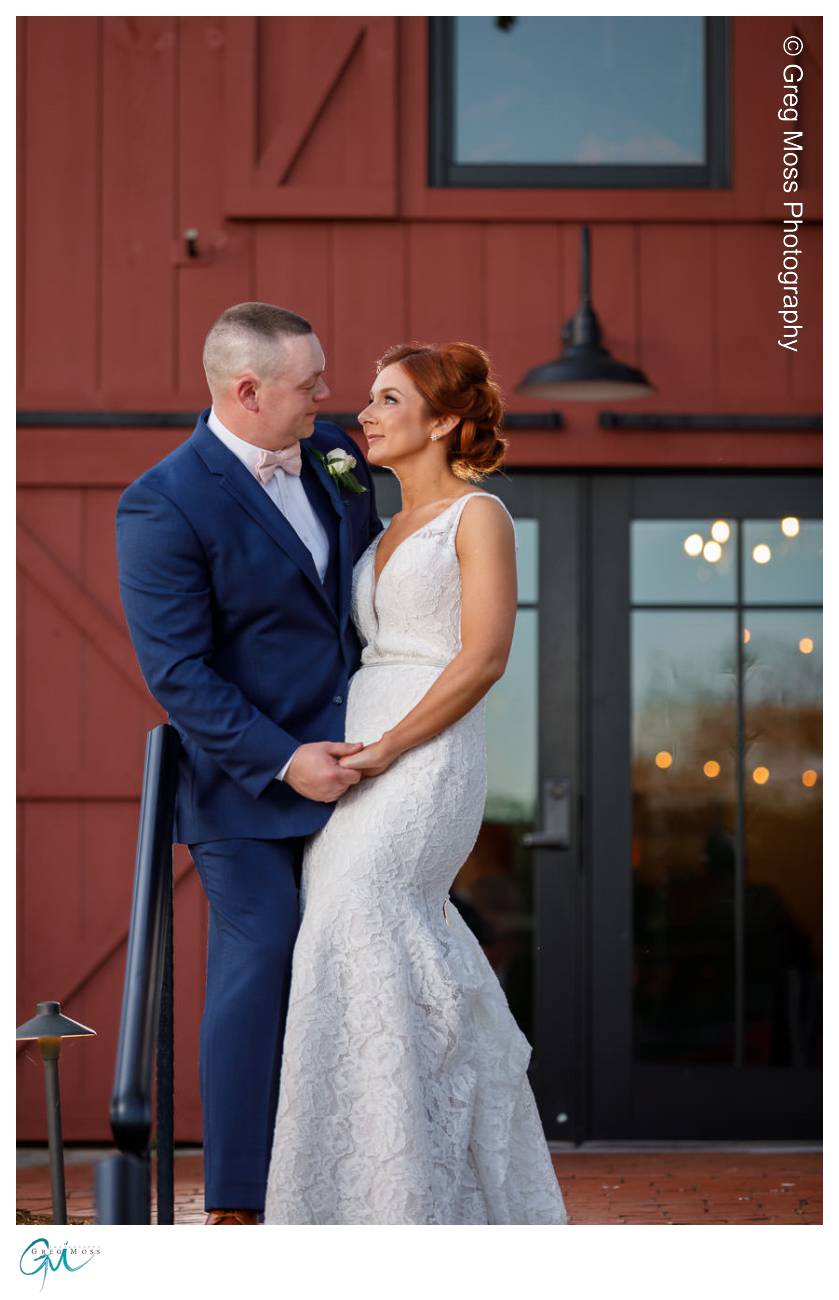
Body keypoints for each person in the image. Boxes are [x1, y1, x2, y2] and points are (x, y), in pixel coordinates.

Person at [263, 341, 569, 1224]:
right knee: (341, 931)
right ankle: (356, 1176)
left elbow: (483, 658)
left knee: (367, 908)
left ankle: (410, 1180)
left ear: (442, 422)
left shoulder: (480, 518)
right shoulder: (377, 521)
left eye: (388, 400)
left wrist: (393, 744)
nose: (365, 413)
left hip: (423, 750)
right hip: (360, 740)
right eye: (367, 398)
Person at [115, 302, 383, 1225]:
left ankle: (354, 1167)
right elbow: (177, 672)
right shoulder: (163, 500)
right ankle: (237, 1200)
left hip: (366, 771)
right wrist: (282, 761)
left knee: (373, 953)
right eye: (310, 383)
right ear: (246, 391)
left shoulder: (335, 456)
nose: (326, 396)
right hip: (247, 792)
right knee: (262, 951)